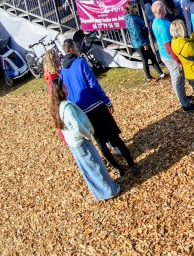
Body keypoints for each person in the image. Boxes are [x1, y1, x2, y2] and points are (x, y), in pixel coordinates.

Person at [59, 39, 139, 176]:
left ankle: (118, 167)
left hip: (83, 112)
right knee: (114, 137)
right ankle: (132, 164)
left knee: (101, 142)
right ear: (72, 50)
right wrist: (106, 101)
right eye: (76, 47)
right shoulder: (80, 63)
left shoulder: (62, 72)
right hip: (96, 106)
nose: (78, 49)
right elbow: (93, 83)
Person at [49, 77, 120, 200]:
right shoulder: (67, 107)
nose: (67, 89)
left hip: (73, 143)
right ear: (60, 91)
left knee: (87, 168)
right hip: (81, 142)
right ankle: (110, 191)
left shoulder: (57, 107)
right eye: (64, 88)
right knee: (95, 165)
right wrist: (87, 135)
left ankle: (100, 192)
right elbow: (77, 125)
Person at [151, 1, 194, 112]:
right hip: (170, 56)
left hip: (166, 55)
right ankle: (185, 105)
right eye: (164, 7)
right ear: (160, 10)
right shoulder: (162, 25)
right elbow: (167, 45)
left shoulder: (157, 21)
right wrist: (178, 61)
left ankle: (183, 97)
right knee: (178, 79)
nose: (166, 8)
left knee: (177, 78)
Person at [124, 1, 164, 83]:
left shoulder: (132, 16)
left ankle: (161, 74)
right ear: (132, 8)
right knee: (146, 59)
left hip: (140, 42)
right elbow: (136, 33)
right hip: (140, 43)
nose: (136, 8)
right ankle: (149, 77)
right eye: (135, 6)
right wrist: (144, 44)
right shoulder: (132, 19)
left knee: (151, 57)